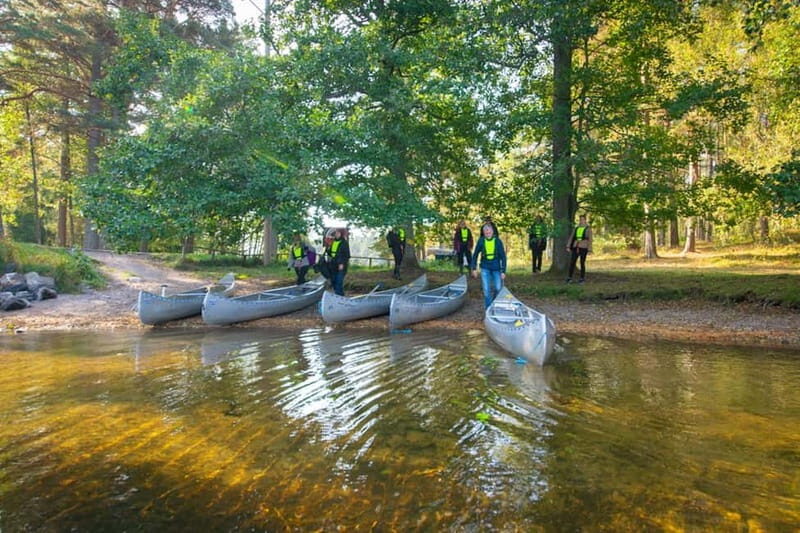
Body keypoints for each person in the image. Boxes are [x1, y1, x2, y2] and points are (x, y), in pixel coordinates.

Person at [471, 223, 507, 308]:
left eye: (489, 232)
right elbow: (475, 255)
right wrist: (474, 268)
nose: (488, 233)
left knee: (498, 288)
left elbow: (503, 257)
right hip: (485, 268)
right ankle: (488, 308)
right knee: (486, 290)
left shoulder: (498, 241)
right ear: (483, 233)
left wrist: (503, 271)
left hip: (496, 268)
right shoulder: (481, 241)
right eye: (486, 232)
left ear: (492, 231)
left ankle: (494, 302)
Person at [566, 214, 592, 283]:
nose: (581, 221)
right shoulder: (576, 228)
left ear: (585, 220)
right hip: (576, 246)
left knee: (582, 263)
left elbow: (590, 239)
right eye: (580, 220)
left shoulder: (588, 229)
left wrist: (590, 249)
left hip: (584, 247)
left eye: (583, 219)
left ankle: (582, 278)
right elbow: (571, 237)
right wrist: (568, 246)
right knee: (572, 262)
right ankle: (569, 277)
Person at [325, 229, 350, 295]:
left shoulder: (344, 243)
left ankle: (339, 296)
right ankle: (339, 295)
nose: (335, 233)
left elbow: (347, 255)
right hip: (333, 265)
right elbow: (330, 254)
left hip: (341, 266)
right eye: (335, 232)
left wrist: (342, 263)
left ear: (340, 233)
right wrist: (328, 247)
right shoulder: (333, 242)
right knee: (333, 281)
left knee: (339, 282)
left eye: (337, 232)